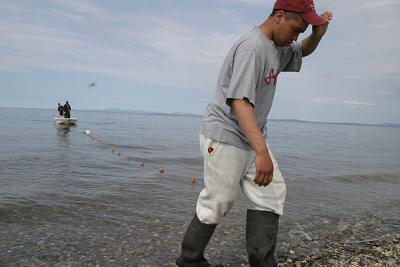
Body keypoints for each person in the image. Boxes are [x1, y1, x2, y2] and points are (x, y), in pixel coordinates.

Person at [175, 0, 332, 266]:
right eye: (296, 29)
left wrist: (317, 35)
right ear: (279, 16)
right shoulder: (253, 47)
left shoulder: (277, 46)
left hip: (252, 136)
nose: (296, 37)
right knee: (219, 201)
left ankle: (263, 261)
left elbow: (301, 52)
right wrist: (262, 152)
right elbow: (240, 102)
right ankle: (189, 261)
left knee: (272, 194)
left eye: (301, 32)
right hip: (226, 135)